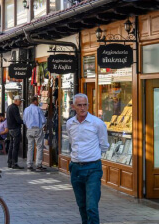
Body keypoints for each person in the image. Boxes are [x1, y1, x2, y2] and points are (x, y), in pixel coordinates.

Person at [66, 93, 109, 224]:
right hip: (76, 168)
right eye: (79, 105)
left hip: (92, 168)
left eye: (85, 105)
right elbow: (71, 142)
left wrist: (92, 156)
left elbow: (104, 145)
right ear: (74, 106)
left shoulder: (97, 123)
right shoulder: (70, 124)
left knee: (91, 207)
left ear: (89, 106)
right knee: (82, 205)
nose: (82, 108)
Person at [24, 97, 47, 172]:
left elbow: (24, 120)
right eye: (37, 101)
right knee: (39, 147)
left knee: (30, 147)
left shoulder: (26, 109)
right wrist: (43, 125)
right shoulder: (38, 109)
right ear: (35, 101)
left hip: (29, 129)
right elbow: (43, 120)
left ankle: (29, 164)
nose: (38, 102)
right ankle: (38, 165)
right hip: (37, 129)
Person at [6, 95, 24, 169]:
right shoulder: (14, 108)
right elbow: (18, 120)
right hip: (15, 129)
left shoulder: (9, 107)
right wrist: (24, 121)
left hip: (10, 128)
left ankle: (9, 162)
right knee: (15, 147)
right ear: (16, 100)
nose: (21, 103)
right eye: (20, 101)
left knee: (11, 146)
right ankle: (14, 163)